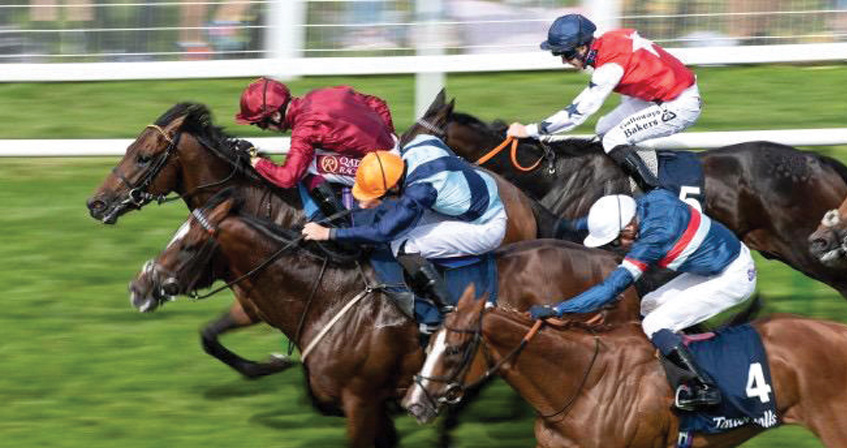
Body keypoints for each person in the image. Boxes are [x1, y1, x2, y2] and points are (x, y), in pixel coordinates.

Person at [529, 191, 757, 411]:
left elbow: (610, 288)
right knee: (648, 304)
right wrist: (571, 226)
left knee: (654, 324)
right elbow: (613, 213)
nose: (620, 245)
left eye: (617, 241)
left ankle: (705, 388)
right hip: (721, 263)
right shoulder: (649, 201)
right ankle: (673, 353)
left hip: (733, 278)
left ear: (629, 228)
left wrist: (559, 308)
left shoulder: (653, 239)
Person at [301, 134, 508, 312]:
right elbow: (434, 138)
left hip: (486, 226)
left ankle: (447, 308)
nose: (364, 205)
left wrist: (328, 234)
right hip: (480, 194)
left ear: (392, 187)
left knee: (402, 245)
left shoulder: (419, 191)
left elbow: (383, 232)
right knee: (402, 228)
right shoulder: (416, 145)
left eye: (379, 195)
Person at [505, 14, 702, 192]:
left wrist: (530, 131)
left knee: (613, 139)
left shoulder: (609, 67)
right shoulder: (608, 40)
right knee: (604, 128)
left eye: (566, 54)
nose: (564, 61)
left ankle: (655, 193)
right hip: (658, 97)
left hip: (679, 104)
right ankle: (629, 178)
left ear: (582, 48)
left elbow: (578, 113)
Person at [235, 77, 398, 222]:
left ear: (276, 115)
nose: (263, 129)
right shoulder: (319, 94)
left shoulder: (304, 129)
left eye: (261, 123)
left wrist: (254, 161)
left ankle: (341, 224)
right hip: (394, 146)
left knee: (308, 166)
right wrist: (389, 137)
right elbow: (378, 103)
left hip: (382, 170)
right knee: (314, 155)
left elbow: (288, 178)